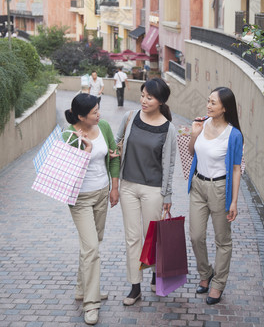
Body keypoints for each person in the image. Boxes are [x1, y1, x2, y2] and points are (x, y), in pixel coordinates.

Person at [115, 78, 178, 306]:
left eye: (149, 97)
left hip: (154, 189)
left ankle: (154, 273)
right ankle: (135, 287)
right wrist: (113, 152)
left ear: (160, 101)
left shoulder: (168, 128)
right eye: (142, 95)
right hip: (128, 186)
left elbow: (170, 165)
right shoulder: (130, 117)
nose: (143, 100)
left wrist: (167, 196)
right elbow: (116, 141)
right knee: (132, 238)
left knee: (152, 238)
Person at [63, 93, 120, 325]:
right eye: (94, 112)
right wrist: (85, 151)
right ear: (80, 116)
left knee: (92, 245)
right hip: (80, 199)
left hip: (101, 193)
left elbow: (114, 156)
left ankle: (82, 289)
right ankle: (91, 303)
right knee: (91, 249)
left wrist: (114, 187)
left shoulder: (103, 126)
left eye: (98, 110)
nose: (99, 115)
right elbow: (67, 174)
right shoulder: (68, 135)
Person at [188, 87, 243, 305]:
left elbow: (237, 169)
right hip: (198, 185)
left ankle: (218, 283)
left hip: (220, 189)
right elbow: (192, 152)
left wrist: (234, 201)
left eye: (213, 103)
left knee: (222, 240)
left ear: (225, 108)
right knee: (196, 236)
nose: (208, 105)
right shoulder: (202, 124)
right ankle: (205, 272)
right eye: (208, 101)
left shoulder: (234, 134)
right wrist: (194, 132)